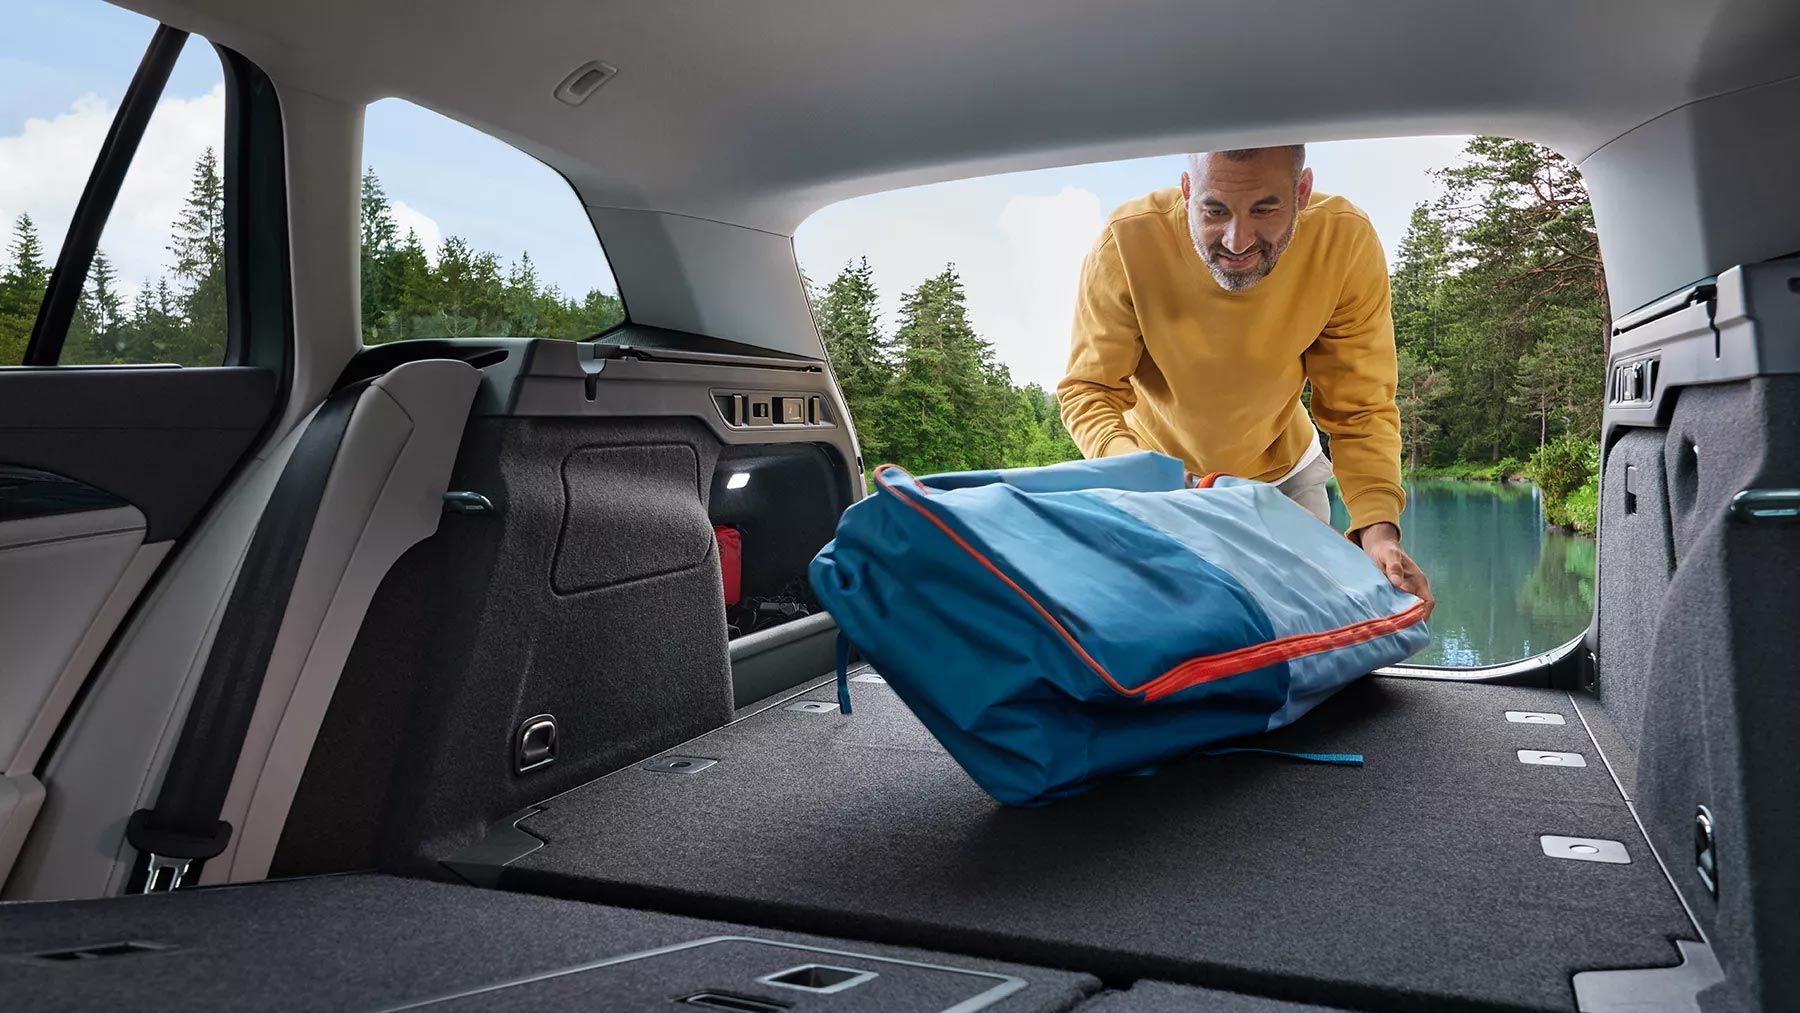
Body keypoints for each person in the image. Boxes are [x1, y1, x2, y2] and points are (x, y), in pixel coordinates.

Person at [1057, 144, 1433, 609]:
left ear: (1302, 192)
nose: (1237, 241)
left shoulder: (1344, 241)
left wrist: (1377, 531)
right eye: (1214, 210)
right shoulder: (1127, 242)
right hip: (1163, 487)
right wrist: (1152, 479)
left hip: (1285, 478)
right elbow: (1089, 393)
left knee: (1314, 628)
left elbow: (1361, 408)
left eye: (1265, 209)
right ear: (1187, 189)